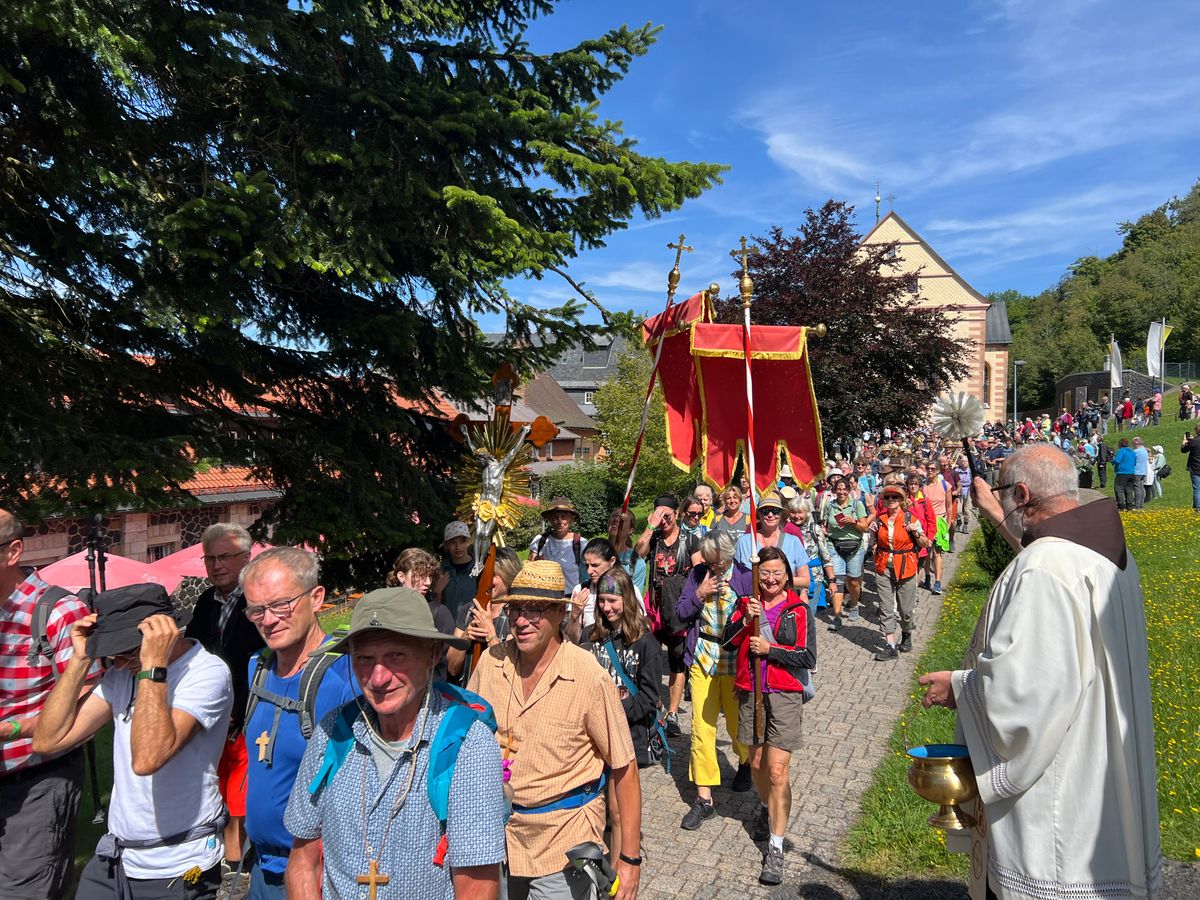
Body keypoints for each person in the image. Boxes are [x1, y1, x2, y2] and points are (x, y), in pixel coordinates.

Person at [919, 445, 1161, 900]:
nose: (1003, 505)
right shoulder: (1105, 553)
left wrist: (957, 686)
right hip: (1101, 788)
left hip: (1057, 820)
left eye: (1004, 495)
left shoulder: (1044, 570)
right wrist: (995, 513)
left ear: (1023, 494)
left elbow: (1023, 697)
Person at [284, 588, 506, 899]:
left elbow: (479, 886)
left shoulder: (467, 743)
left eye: (395, 656)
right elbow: (303, 861)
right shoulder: (333, 731)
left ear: (431, 655)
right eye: (364, 659)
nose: (378, 678)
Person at [36, 584, 233, 899]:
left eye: (128, 650)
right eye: (112, 652)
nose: (118, 662)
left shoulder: (207, 673)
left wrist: (153, 666)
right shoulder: (123, 674)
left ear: (162, 635)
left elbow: (147, 759)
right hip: (116, 859)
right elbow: (47, 740)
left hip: (176, 866)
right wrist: (79, 660)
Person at [467, 561, 642, 900]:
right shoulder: (491, 662)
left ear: (559, 613)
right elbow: (466, 739)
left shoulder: (588, 677)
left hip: (564, 842)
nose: (521, 620)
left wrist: (630, 859)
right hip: (495, 839)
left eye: (534, 610)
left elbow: (625, 767)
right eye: (516, 608)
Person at [239, 548, 360, 898]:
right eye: (257, 610)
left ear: (317, 597)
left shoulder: (345, 676)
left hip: (314, 874)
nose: (269, 619)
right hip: (260, 868)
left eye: (281, 604)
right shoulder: (257, 668)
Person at [0, 509, 101, 899]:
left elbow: (89, 704)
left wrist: (10, 728)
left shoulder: (57, 611)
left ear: (13, 552)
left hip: (35, 784)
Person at [721, 546, 815, 886]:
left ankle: (776, 847)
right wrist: (746, 621)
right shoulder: (747, 605)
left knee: (777, 772)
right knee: (758, 765)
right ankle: (765, 805)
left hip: (785, 694)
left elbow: (807, 657)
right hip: (750, 692)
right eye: (765, 573)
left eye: (777, 573)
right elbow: (727, 642)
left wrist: (770, 649)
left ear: (787, 575)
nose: (771, 579)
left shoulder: (798, 609)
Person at [185, 523, 264, 884]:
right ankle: (216, 856)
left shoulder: (258, 601)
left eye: (224, 557)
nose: (216, 565)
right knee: (213, 786)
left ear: (246, 558)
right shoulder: (204, 602)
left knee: (241, 792)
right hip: (209, 714)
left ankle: (236, 866)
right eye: (210, 558)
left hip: (249, 713)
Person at [580, 568, 664, 862]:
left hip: (626, 736)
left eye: (613, 600)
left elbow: (650, 698)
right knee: (591, 806)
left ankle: (617, 873)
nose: (606, 607)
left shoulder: (645, 643)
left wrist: (614, 711)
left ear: (627, 600)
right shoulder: (590, 637)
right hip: (591, 738)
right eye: (601, 600)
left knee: (616, 811)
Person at [675, 533, 754, 829]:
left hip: (735, 663)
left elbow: (759, 620)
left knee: (737, 726)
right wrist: (699, 594)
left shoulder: (746, 576)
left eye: (718, 561)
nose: (713, 566)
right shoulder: (697, 575)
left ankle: (745, 762)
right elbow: (681, 613)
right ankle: (704, 799)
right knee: (701, 729)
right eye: (709, 561)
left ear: (729, 555)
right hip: (703, 660)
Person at [635, 494, 701, 737]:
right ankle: (658, 705)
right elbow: (638, 554)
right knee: (647, 658)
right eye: (659, 515)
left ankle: (672, 712)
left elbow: (699, 571)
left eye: (667, 516)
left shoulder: (690, 541)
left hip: (677, 609)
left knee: (676, 660)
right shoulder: (653, 540)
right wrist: (650, 527)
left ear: (677, 515)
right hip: (654, 609)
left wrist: (694, 601)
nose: (664, 520)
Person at [866, 482, 930, 661]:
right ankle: (890, 645)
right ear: (884, 501)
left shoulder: (910, 519)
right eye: (887, 497)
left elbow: (926, 543)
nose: (891, 500)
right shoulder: (880, 520)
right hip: (883, 566)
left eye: (895, 497)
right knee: (886, 607)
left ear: (902, 500)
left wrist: (916, 533)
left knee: (906, 610)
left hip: (906, 567)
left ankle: (907, 633)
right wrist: (873, 538)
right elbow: (873, 544)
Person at [446, 547, 521, 683]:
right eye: (483, 575)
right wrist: (465, 638)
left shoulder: (517, 614)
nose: (486, 580)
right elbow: (451, 668)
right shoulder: (469, 609)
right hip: (467, 694)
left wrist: (490, 633)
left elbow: (509, 669)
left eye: (493, 575)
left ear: (508, 575)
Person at [393, 547, 457, 681]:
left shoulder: (439, 613)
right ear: (401, 576)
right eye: (420, 575)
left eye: (429, 576)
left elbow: (446, 665)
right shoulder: (386, 609)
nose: (428, 582)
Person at [733, 490, 809, 595]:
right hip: (753, 603)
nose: (770, 515)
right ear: (759, 514)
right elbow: (734, 577)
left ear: (781, 514)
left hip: (784, 603)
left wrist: (778, 580)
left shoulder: (793, 542)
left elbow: (805, 580)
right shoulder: (744, 542)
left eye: (775, 511)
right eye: (765, 511)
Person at [822, 477, 867, 631]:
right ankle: (837, 615)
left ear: (849, 490)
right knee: (838, 580)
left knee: (853, 580)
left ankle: (854, 605)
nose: (841, 492)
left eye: (844, 489)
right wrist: (823, 531)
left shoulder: (857, 504)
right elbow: (825, 524)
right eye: (838, 489)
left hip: (854, 545)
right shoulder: (830, 505)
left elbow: (865, 528)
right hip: (834, 545)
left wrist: (853, 522)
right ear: (835, 490)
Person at [528, 497, 585, 594]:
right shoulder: (540, 541)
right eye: (555, 517)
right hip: (544, 598)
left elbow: (587, 574)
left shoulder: (580, 543)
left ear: (571, 519)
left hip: (570, 599)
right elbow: (528, 570)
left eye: (564, 517)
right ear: (549, 519)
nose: (559, 521)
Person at [435, 521, 478, 618]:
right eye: (453, 542)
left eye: (462, 541)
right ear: (446, 545)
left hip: (471, 628)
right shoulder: (441, 570)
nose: (458, 547)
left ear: (468, 541)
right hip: (446, 627)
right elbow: (435, 603)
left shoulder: (479, 568)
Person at [607, 507, 648, 596]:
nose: (616, 520)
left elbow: (633, 599)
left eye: (622, 518)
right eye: (614, 516)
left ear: (631, 530)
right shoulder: (594, 554)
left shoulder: (637, 563)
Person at [1112, 437, 1138, 511]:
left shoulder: (1121, 451)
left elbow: (1117, 460)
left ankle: (1121, 505)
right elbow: (1135, 462)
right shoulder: (1132, 452)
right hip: (1131, 472)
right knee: (1129, 489)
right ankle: (1129, 506)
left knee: (1119, 489)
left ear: (1120, 444)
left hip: (1122, 472)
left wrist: (1112, 461)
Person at [1182, 423, 1200, 511]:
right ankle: (1196, 506)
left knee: (1197, 489)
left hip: (1195, 468)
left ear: (1197, 431)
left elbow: (1183, 450)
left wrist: (1184, 442)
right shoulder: (1194, 441)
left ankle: (1197, 507)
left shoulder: (1193, 441)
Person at [1131, 436, 1150, 509]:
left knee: (1137, 488)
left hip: (1137, 471)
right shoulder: (1145, 450)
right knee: (1142, 488)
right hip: (1143, 471)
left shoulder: (1136, 451)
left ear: (1136, 443)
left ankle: (1137, 505)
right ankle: (1141, 503)